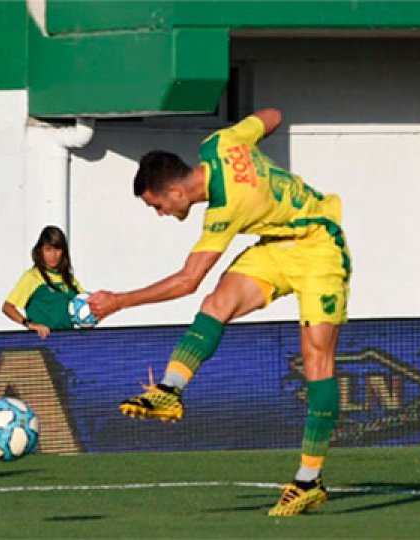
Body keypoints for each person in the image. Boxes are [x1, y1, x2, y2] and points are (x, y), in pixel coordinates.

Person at [88, 108, 350, 517]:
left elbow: (186, 280)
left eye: (157, 206)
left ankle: (308, 480)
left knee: (317, 358)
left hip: (320, 246)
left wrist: (119, 301)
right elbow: (274, 115)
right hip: (276, 244)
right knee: (218, 303)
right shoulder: (221, 143)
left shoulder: (226, 209)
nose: (161, 214)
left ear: (175, 191)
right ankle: (169, 391)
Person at [2, 225, 86, 338]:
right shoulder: (32, 276)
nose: (53, 255)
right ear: (40, 251)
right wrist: (29, 324)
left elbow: (86, 306)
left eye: (57, 249)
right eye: (48, 249)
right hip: (43, 342)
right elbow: (7, 307)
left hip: (68, 340)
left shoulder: (69, 279)